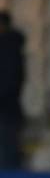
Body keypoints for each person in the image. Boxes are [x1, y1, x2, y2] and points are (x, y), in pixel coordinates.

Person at [0, 11, 25, 169]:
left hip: (6, 109)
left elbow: (10, 81)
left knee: (8, 152)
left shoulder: (9, 49)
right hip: (9, 108)